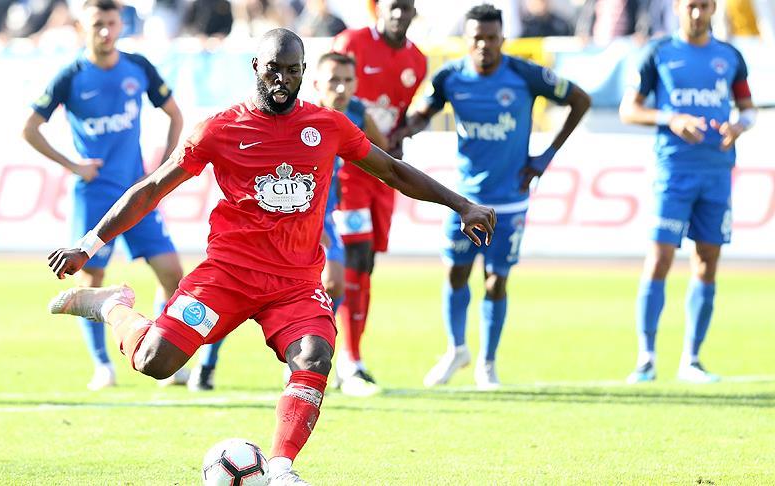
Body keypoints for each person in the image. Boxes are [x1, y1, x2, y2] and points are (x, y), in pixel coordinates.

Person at [46, 28, 496, 485]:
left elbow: (392, 170)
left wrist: (462, 205)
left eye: (293, 70)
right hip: (227, 277)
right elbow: (152, 189)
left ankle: (281, 468)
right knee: (154, 361)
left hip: (295, 285)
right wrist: (89, 244)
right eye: (274, 70)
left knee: (315, 356)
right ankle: (112, 306)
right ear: (256, 67)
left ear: (303, 72)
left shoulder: (328, 126)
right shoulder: (219, 129)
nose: (283, 80)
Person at [396, 3, 590, 389]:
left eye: (491, 37)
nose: (484, 45)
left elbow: (580, 100)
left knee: (495, 281)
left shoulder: (525, 74)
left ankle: (487, 363)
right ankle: (456, 350)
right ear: (466, 40)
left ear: (503, 38)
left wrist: (546, 156)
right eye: (477, 38)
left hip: (510, 200)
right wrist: (402, 132)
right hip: (463, 199)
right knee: (455, 272)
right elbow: (423, 113)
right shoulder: (450, 76)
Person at [186, 51, 390, 394]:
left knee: (336, 283)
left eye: (348, 81)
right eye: (333, 81)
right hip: (282, 222)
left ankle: (302, 355)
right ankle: (207, 363)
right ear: (316, 83)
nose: (341, 88)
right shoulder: (297, 115)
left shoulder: (355, 115)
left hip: (324, 216)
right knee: (236, 298)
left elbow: (383, 155)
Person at [22, 0, 186, 390]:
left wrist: (162, 169)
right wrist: (73, 164)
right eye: (97, 24)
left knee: (172, 274)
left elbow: (175, 115)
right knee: (91, 279)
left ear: (120, 24)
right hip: (95, 195)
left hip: (137, 194)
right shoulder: (70, 76)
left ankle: (162, 352)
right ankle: (102, 365)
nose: (105, 31)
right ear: (83, 27)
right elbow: (29, 128)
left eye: (111, 22)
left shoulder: (138, 67)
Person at [619, 0, 755, 383]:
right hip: (674, 172)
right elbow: (629, 109)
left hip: (716, 172)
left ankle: (691, 360)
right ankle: (646, 358)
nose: (697, 14)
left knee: (707, 261)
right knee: (660, 258)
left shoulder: (730, 56)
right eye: (691, 6)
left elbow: (748, 109)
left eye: (704, 6)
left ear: (714, 9)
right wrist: (671, 118)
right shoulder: (659, 52)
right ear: (678, 7)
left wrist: (739, 126)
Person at [329, 0, 427, 394]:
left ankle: (351, 357)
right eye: (392, 6)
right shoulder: (351, 42)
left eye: (406, 6)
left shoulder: (418, 61)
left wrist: (401, 136)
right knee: (352, 256)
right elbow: (325, 92)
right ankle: (346, 360)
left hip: (383, 173)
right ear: (378, 8)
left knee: (366, 262)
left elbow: (400, 118)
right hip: (348, 172)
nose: (399, 14)